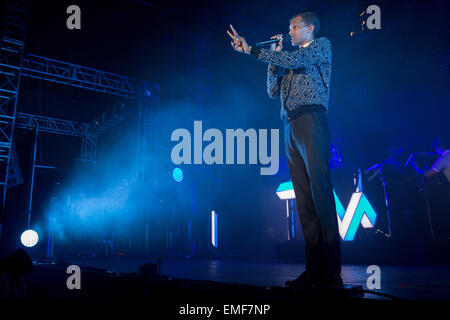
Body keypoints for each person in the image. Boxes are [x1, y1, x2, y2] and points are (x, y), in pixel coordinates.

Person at [227, 12, 342, 287]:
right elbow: (272, 91)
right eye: (290, 28)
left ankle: (331, 271)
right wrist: (271, 57)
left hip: (311, 120)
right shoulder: (289, 60)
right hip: (290, 126)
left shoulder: (320, 46)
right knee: (302, 199)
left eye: (294, 27)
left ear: (309, 28)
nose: (290, 32)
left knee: (320, 194)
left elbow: (296, 59)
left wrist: (254, 50)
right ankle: (313, 268)